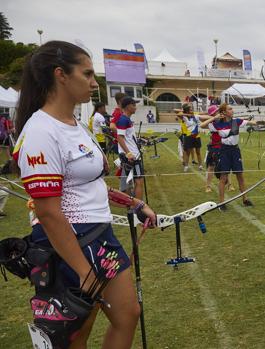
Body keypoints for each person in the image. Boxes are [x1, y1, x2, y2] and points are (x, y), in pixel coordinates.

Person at [12, 40, 157, 348]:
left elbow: (87, 182)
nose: (94, 83)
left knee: (128, 314)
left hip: (99, 236)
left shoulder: (75, 124)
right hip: (71, 242)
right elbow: (48, 211)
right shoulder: (40, 131)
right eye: (87, 74)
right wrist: (82, 271)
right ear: (61, 75)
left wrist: (133, 202)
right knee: (77, 333)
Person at [200, 103, 261, 210]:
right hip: (224, 151)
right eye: (230, 109)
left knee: (240, 176)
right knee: (223, 177)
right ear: (224, 112)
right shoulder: (217, 123)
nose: (232, 110)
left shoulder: (236, 121)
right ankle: (221, 203)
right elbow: (202, 125)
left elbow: (252, 122)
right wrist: (215, 117)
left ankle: (245, 199)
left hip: (235, 151)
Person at [116, 96, 145, 200]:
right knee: (138, 181)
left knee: (129, 181)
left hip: (131, 154)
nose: (135, 107)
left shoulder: (126, 119)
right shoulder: (123, 120)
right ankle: (138, 207)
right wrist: (128, 153)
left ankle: (131, 207)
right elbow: (119, 137)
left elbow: (127, 137)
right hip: (131, 156)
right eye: (133, 105)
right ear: (128, 106)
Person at [177, 104, 203, 170]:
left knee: (198, 152)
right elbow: (178, 114)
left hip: (197, 136)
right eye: (190, 109)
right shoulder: (185, 118)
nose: (192, 110)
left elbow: (204, 114)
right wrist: (186, 114)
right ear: (187, 111)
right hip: (189, 136)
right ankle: (186, 166)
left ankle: (200, 165)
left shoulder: (195, 115)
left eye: (192, 109)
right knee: (188, 152)